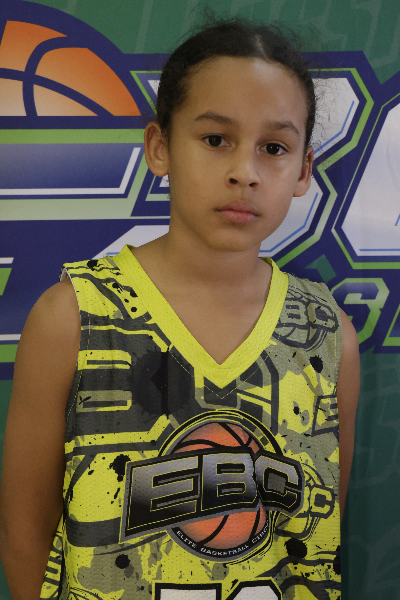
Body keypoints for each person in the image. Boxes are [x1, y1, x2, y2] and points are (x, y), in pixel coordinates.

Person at [0, 17, 359, 600]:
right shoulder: (72, 317)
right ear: (160, 147)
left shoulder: (327, 334)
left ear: (303, 170)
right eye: (216, 139)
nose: (244, 172)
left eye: (274, 148)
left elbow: (319, 531)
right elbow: (23, 533)